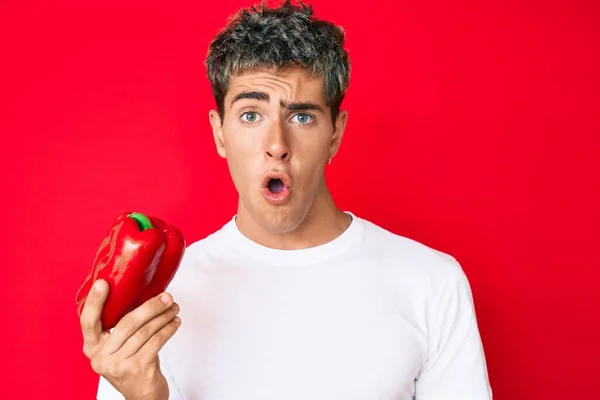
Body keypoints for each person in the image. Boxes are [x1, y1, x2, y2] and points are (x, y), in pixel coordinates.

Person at [80, 1, 493, 399]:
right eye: (250, 115)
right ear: (219, 132)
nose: (276, 144)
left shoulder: (432, 284)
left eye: (302, 117)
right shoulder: (158, 299)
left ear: (336, 132)